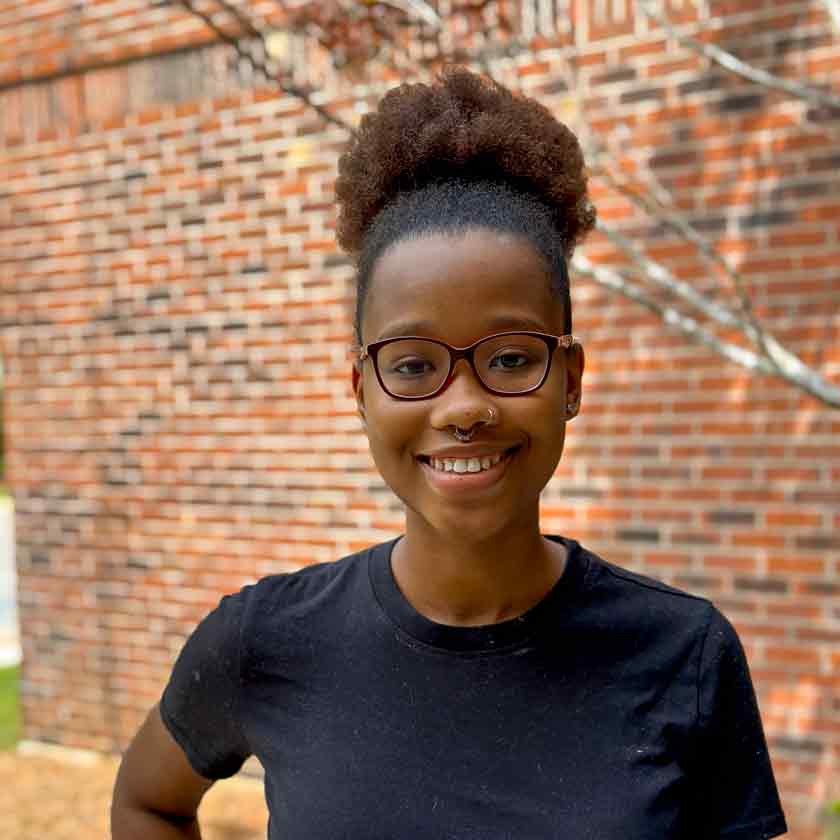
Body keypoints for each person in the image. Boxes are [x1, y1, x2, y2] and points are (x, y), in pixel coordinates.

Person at [111, 66, 788, 839]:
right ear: (360, 388)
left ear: (569, 379)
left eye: (508, 358)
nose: (463, 406)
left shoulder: (683, 656)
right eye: (411, 364)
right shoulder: (266, 642)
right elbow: (148, 802)